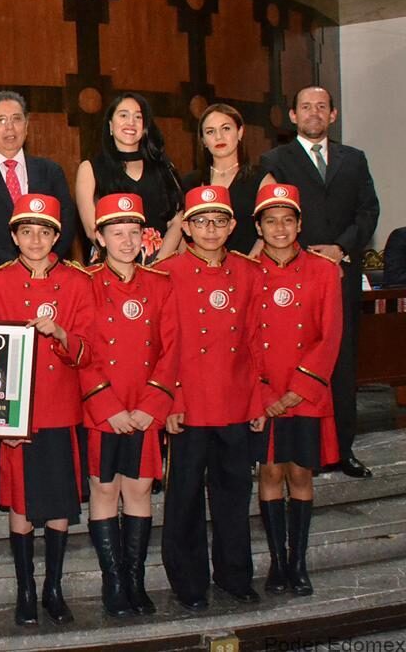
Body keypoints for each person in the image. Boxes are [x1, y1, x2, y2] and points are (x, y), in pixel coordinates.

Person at [155, 186, 267, 612]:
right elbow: (162, 346)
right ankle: (188, 582)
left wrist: (256, 400)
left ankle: (235, 576)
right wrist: (172, 400)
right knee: (183, 497)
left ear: (232, 226)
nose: (211, 229)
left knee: (234, 495)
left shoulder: (248, 272)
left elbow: (254, 341)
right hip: (188, 404)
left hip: (234, 401)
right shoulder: (166, 273)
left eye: (219, 221)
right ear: (186, 227)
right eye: (201, 221)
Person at [0, 194, 93, 627]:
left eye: (43, 232)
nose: (35, 240)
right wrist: (0, 420)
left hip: (61, 407)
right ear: (14, 236)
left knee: (60, 503)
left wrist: (62, 334)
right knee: (21, 502)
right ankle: (26, 589)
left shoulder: (78, 282)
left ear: (56, 237)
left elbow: (88, 350)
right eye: (26, 232)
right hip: (17, 412)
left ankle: (54, 587)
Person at [260, 85, 380, 479]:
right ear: (293, 115)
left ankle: (342, 450)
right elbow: (273, 218)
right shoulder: (275, 160)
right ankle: (298, 452)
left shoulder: (354, 159)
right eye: (306, 107)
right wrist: (310, 255)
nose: (314, 112)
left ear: (333, 114)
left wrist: (340, 249)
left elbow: (368, 211)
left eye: (321, 107)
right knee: (295, 360)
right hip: (293, 277)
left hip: (341, 273)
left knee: (341, 360)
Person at [80, 193, 178, 617]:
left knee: (138, 489)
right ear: (100, 237)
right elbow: (81, 351)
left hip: (143, 407)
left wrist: (151, 405)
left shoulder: (160, 285)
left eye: (133, 232)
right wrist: (108, 406)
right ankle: (114, 582)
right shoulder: (84, 283)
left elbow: (171, 349)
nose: (126, 241)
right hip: (104, 408)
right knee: (104, 489)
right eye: (116, 233)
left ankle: (136, 580)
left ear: (145, 237)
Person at [253, 183, 342, 598]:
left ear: (300, 224)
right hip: (265, 394)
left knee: (301, 473)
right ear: (258, 227)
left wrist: (299, 388)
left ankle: (299, 562)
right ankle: (277, 562)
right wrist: (264, 392)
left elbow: (331, 335)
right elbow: (242, 339)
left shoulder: (323, 271)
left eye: (288, 220)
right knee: (270, 472)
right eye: (271, 221)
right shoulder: (245, 272)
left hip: (306, 393)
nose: (280, 228)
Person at [0, 90, 76, 280]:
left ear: (26, 126)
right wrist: (13, 267)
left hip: (46, 277)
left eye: (16, 119)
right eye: (1, 120)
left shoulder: (51, 171)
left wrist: (44, 265)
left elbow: (66, 221)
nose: (10, 127)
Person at [75, 93, 183, 264]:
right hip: (111, 263)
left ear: (145, 126)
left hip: (161, 262)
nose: (131, 122)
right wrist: (125, 265)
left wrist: (157, 264)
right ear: (110, 125)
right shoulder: (90, 168)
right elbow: (91, 229)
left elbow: (177, 222)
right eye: (123, 115)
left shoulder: (164, 167)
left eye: (138, 117)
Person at [182, 103, 276, 256]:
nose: (219, 137)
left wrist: (249, 262)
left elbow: (273, 228)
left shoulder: (261, 179)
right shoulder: (191, 182)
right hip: (202, 266)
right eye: (210, 131)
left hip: (250, 263)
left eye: (226, 128)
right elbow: (181, 232)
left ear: (240, 132)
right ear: (203, 140)